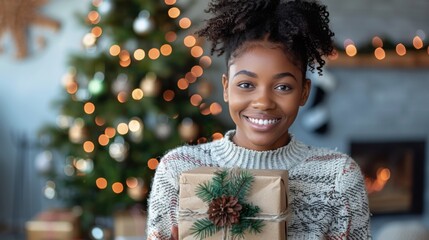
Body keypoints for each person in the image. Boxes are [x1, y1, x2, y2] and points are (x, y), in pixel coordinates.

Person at [146, 0, 371, 239]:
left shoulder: (338, 177)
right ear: (226, 88)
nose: (263, 102)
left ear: (304, 92)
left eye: (283, 87)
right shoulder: (178, 170)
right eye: (245, 85)